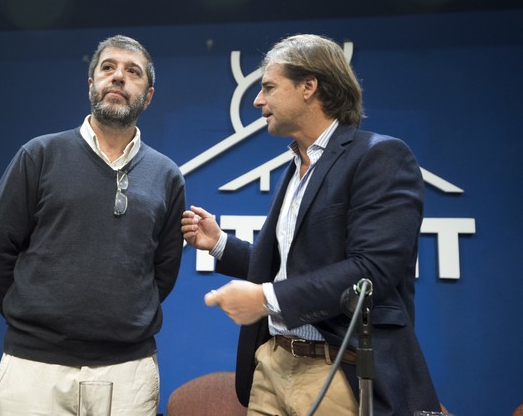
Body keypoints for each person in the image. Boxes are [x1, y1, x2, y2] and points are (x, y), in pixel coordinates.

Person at [181, 34, 441, 415]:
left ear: (309, 86)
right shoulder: (297, 168)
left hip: (337, 368)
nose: (258, 100)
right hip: (271, 365)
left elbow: (373, 271)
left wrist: (265, 300)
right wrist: (221, 244)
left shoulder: (380, 156)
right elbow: (296, 270)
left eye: (269, 87)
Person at [0, 35, 185, 416]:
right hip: (33, 368)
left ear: (148, 96)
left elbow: (162, 273)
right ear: (91, 86)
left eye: (132, 72)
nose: (118, 77)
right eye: (108, 68)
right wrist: (35, 317)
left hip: (128, 373)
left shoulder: (166, 175)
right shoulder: (39, 154)